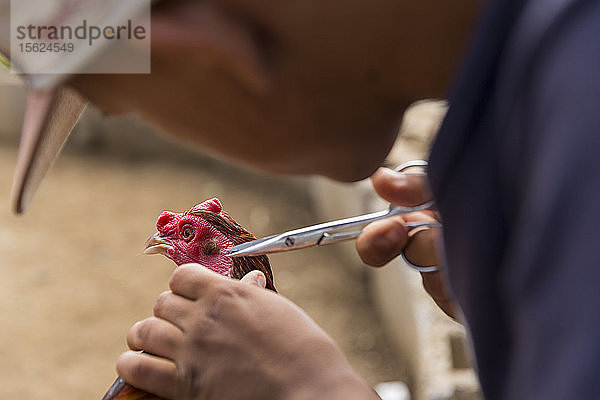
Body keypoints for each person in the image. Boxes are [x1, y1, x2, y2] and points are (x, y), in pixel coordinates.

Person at [8, 0, 600, 398]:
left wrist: (311, 388)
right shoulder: (537, 98)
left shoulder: (580, 121)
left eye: (126, 102)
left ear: (200, 47)